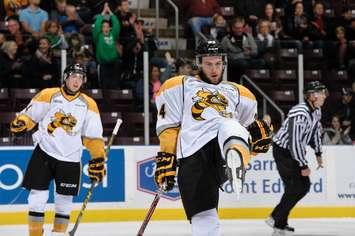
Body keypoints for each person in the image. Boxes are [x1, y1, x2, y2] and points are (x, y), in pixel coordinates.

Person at [154, 40, 272, 235]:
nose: (214, 69)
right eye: (208, 64)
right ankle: (235, 156)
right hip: (193, 158)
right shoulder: (180, 85)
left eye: (218, 63)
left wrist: (260, 137)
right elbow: (169, 127)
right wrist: (167, 158)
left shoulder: (238, 92)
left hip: (222, 149)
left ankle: (236, 157)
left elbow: (250, 128)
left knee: (229, 125)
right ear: (199, 63)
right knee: (205, 219)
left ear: (224, 63)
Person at [9, 64, 106, 236]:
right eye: (73, 76)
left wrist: (98, 159)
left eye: (80, 78)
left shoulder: (89, 104)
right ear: (66, 78)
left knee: (64, 202)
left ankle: (58, 234)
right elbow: (30, 115)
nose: (77, 81)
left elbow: (93, 137)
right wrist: (23, 122)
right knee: (36, 199)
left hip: (71, 158)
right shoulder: (49, 94)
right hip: (44, 152)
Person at [266, 81, 328, 236]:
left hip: (292, 152)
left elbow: (314, 134)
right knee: (296, 186)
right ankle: (276, 218)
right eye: (320, 93)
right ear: (312, 96)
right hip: (283, 151)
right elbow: (295, 143)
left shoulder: (316, 111)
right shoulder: (299, 113)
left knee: (300, 186)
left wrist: (318, 153)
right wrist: (303, 165)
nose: (324, 96)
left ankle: (279, 221)